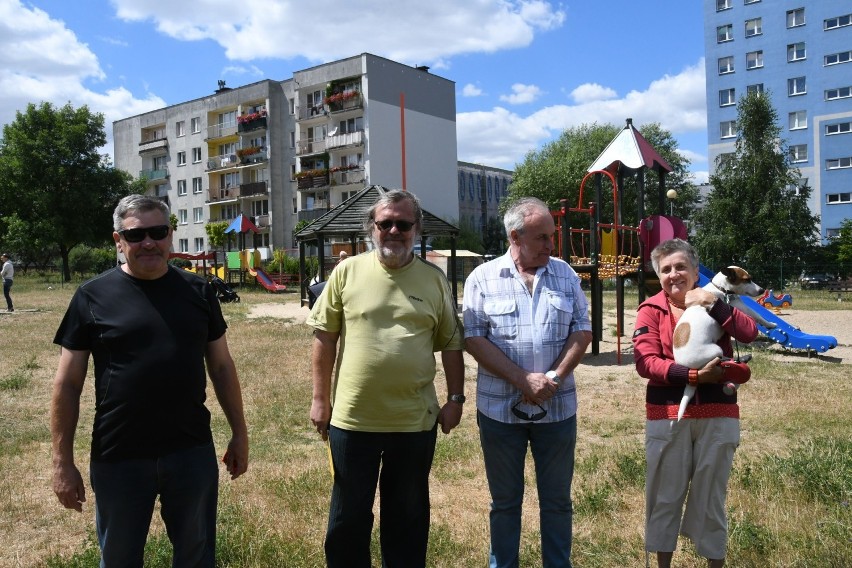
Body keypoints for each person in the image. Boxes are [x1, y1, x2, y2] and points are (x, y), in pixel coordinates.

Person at [50, 194, 249, 567]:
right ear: (118, 240)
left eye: (158, 232)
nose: (148, 242)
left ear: (170, 234)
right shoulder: (91, 296)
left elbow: (221, 366)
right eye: (136, 234)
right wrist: (62, 462)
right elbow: (67, 384)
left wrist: (240, 433)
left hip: (190, 451)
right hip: (119, 455)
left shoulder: (199, 292)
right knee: (120, 558)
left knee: (196, 555)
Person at [307, 189, 465, 568]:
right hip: (352, 419)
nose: (394, 230)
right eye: (386, 223)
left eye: (403, 224)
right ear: (371, 229)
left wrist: (456, 399)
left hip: (414, 421)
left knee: (407, 520)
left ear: (417, 229)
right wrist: (319, 399)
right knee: (347, 520)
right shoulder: (346, 272)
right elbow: (324, 337)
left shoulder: (434, 279)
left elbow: (451, 343)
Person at [463, 196, 592, 568]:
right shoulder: (482, 278)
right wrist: (522, 379)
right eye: (543, 238)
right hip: (499, 413)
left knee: (557, 502)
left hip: (558, 409)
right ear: (515, 237)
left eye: (552, 237)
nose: (551, 246)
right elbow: (473, 338)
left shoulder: (564, 273)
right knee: (504, 503)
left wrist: (552, 378)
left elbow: (582, 330)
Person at [632, 239, 759, 568]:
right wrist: (692, 376)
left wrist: (713, 304)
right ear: (657, 276)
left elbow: (748, 333)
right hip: (668, 415)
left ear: (694, 270)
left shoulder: (715, 299)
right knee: (665, 497)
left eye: (681, 267)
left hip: (719, 414)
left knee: (711, 499)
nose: (674, 274)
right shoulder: (650, 310)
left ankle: (714, 563)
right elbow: (646, 363)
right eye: (665, 269)